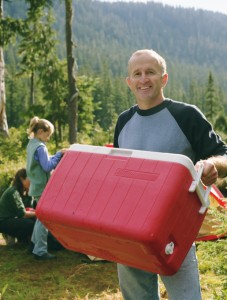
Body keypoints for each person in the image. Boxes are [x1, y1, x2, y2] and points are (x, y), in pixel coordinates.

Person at [113, 49, 227, 300]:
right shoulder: (123, 121)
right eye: (137, 74)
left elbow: (223, 154)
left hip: (176, 233)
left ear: (164, 78)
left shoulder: (186, 115)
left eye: (150, 72)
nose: (144, 79)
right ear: (129, 82)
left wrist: (212, 165)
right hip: (129, 229)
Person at [26, 116, 66, 260]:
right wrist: (59, 155)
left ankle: (34, 245)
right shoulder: (40, 147)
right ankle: (40, 250)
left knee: (40, 218)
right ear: (41, 131)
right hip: (42, 187)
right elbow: (47, 166)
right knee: (45, 220)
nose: (48, 138)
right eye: (48, 135)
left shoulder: (31, 144)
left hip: (35, 186)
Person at [0, 168, 36, 246]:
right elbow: (23, 214)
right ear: (22, 179)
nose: (32, 180)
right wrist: (39, 213)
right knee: (31, 224)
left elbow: (29, 209)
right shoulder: (13, 192)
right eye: (30, 178)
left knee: (33, 221)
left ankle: (22, 239)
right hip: (4, 221)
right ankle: (8, 233)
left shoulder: (26, 191)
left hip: (14, 218)